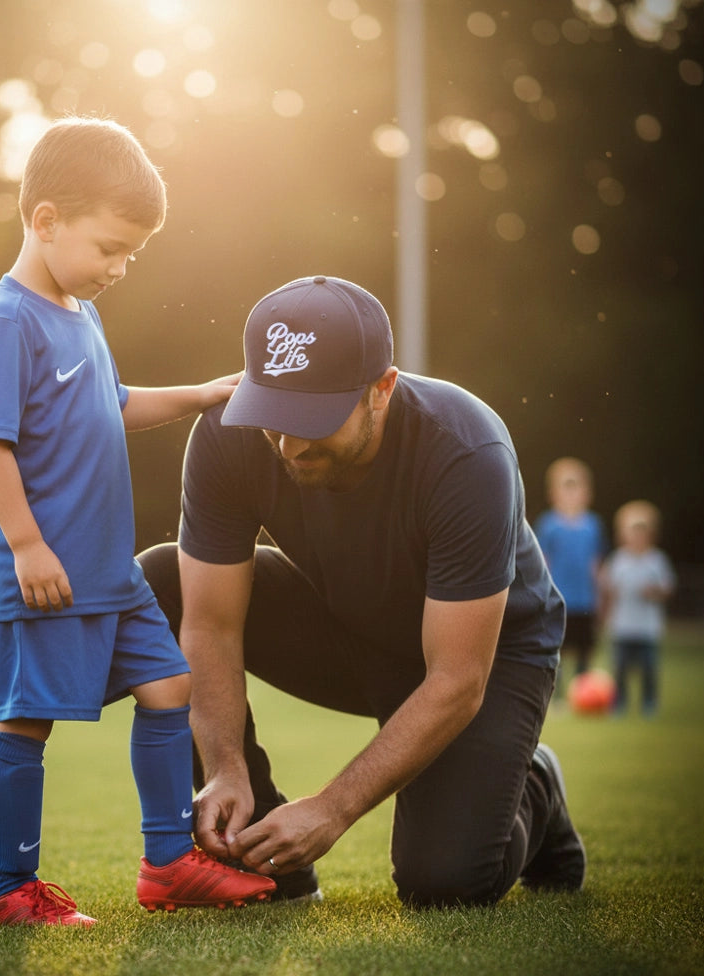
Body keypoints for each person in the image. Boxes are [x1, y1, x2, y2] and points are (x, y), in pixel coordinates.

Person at [138, 274, 587, 908]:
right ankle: (270, 865)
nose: (289, 444)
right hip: (350, 626)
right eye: (273, 416)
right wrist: (224, 766)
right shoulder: (226, 435)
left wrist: (330, 808)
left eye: (310, 419)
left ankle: (535, 781)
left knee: (444, 883)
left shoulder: (466, 452)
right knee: (161, 581)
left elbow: (457, 677)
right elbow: (210, 625)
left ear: (383, 389)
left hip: (486, 659)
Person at [0, 116, 275, 926]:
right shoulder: (6, 323)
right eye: (110, 247)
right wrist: (27, 545)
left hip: (111, 569)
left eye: (132, 252)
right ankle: (12, 892)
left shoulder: (79, 313)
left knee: (170, 685)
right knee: (26, 721)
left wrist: (204, 393)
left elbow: (115, 402)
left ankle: (169, 862)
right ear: (47, 221)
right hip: (47, 572)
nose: (121, 267)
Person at [533, 458, 606, 695]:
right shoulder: (549, 524)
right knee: (558, 649)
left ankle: (584, 693)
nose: (572, 493)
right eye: (566, 486)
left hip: (585, 599)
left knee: (585, 648)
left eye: (576, 487)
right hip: (558, 599)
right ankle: (558, 694)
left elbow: (596, 564)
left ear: (587, 492)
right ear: (553, 492)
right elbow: (543, 561)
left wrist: (600, 595)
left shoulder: (593, 525)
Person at [599, 500, 676, 716]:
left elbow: (668, 589)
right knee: (620, 669)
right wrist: (605, 617)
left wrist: (655, 592)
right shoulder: (618, 561)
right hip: (622, 625)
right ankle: (619, 704)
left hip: (648, 627)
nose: (637, 537)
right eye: (633, 531)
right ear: (623, 534)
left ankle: (649, 703)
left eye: (642, 531)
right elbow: (607, 590)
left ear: (651, 534)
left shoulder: (657, 561)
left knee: (648, 669)